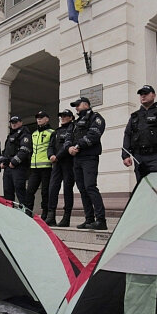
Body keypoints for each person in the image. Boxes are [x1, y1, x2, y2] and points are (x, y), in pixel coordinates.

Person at [122, 85, 157, 183]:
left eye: (146, 94)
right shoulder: (135, 116)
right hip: (139, 156)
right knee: (142, 185)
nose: (143, 96)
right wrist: (125, 155)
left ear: (153, 95)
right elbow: (128, 135)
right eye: (141, 94)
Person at [66, 97, 107, 230]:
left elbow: (94, 135)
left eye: (77, 105)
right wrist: (69, 148)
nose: (76, 108)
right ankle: (89, 219)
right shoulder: (76, 122)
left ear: (86, 105)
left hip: (89, 157)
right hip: (77, 159)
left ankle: (101, 220)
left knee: (90, 187)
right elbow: (68, 138)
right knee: (82, 189)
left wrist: (77, 146)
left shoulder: (95, 117)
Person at [46, 109, 76, 227]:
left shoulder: (73, 128)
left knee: (68, 189)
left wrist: (57, 156)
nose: (63, 118)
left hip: (68, 162)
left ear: (71, 117)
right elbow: (50, 146)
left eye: (65, 116)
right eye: (61, 116)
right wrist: (51, 155)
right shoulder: (56, 131)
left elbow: (68, 145)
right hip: (56, 164)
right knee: (52, 188)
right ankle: (51, 216)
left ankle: (66, 217)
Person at [25, 111, 54, 220]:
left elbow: (52, 148)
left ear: (47, 119)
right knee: (29, 191)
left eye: (41, 118)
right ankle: (28, 212)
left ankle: (45, 213)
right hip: (34, 168)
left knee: (45, 192)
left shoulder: (52, 132)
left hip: (46, 167)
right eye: (37, 118)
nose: (39, 119)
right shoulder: (34, 134)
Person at [0, 116, 32, 207]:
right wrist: (2, 162)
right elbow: (5, 151)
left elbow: (24, 150)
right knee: (7, 190)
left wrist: (14, 162)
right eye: (12, 122)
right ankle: (10, 212)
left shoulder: (25, 134)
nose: (13, 124)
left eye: (16, 122)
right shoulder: (10, 135)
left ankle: (25, 212)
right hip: (8, 168)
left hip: (19, 167)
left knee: (20, 190)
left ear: (21, 122)